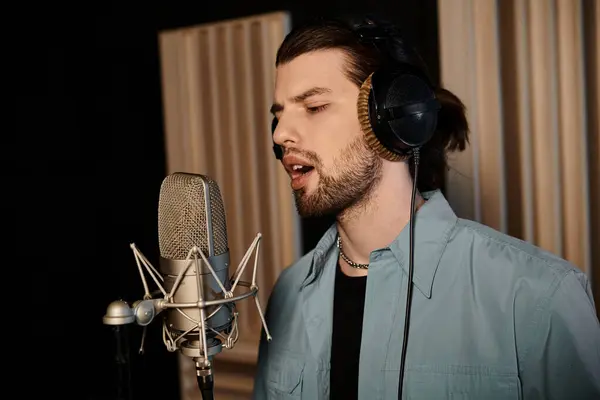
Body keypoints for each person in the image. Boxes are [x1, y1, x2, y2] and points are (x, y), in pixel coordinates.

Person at [252, 14, 600, 400]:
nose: (281, 134)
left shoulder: (538, 296)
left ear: (393, 115)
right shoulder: (288, 294)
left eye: (313, 107)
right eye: (278, 114)